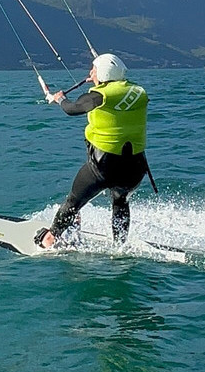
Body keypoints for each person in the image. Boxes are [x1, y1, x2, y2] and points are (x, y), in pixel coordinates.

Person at [37, 52, 153, 250]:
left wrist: (60, 99)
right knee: (120, 201)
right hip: (135, 168)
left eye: (93, 70)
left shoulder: (100, 96)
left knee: (73, 202)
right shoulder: (139, 92)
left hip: (104, 167)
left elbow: (72, 109)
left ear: (104, 73)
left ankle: (50, 238)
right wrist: (101, 76)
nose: (90, 73)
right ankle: (120, 246)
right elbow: (118, 87)